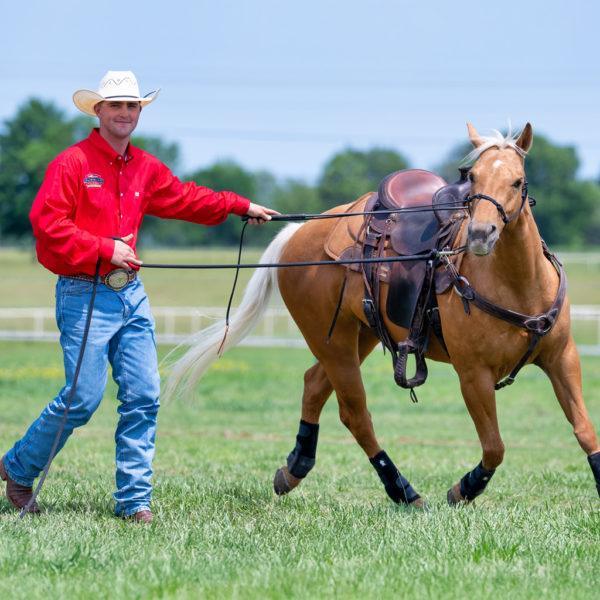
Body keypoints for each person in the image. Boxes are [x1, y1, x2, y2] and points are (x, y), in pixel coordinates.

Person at [0, 70, 278, 523]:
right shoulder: (71, 163)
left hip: (131, 295)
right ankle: (18, 467)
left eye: (132, 106)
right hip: (83, 293)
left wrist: (237, 205)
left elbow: (185, 198)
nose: (125, 113)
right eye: (116, 105)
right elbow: (47, 226)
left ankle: (134, 501)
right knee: (81, 398)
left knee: (145, 396)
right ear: (99, 110)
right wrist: (104, 248)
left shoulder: (145, 167)